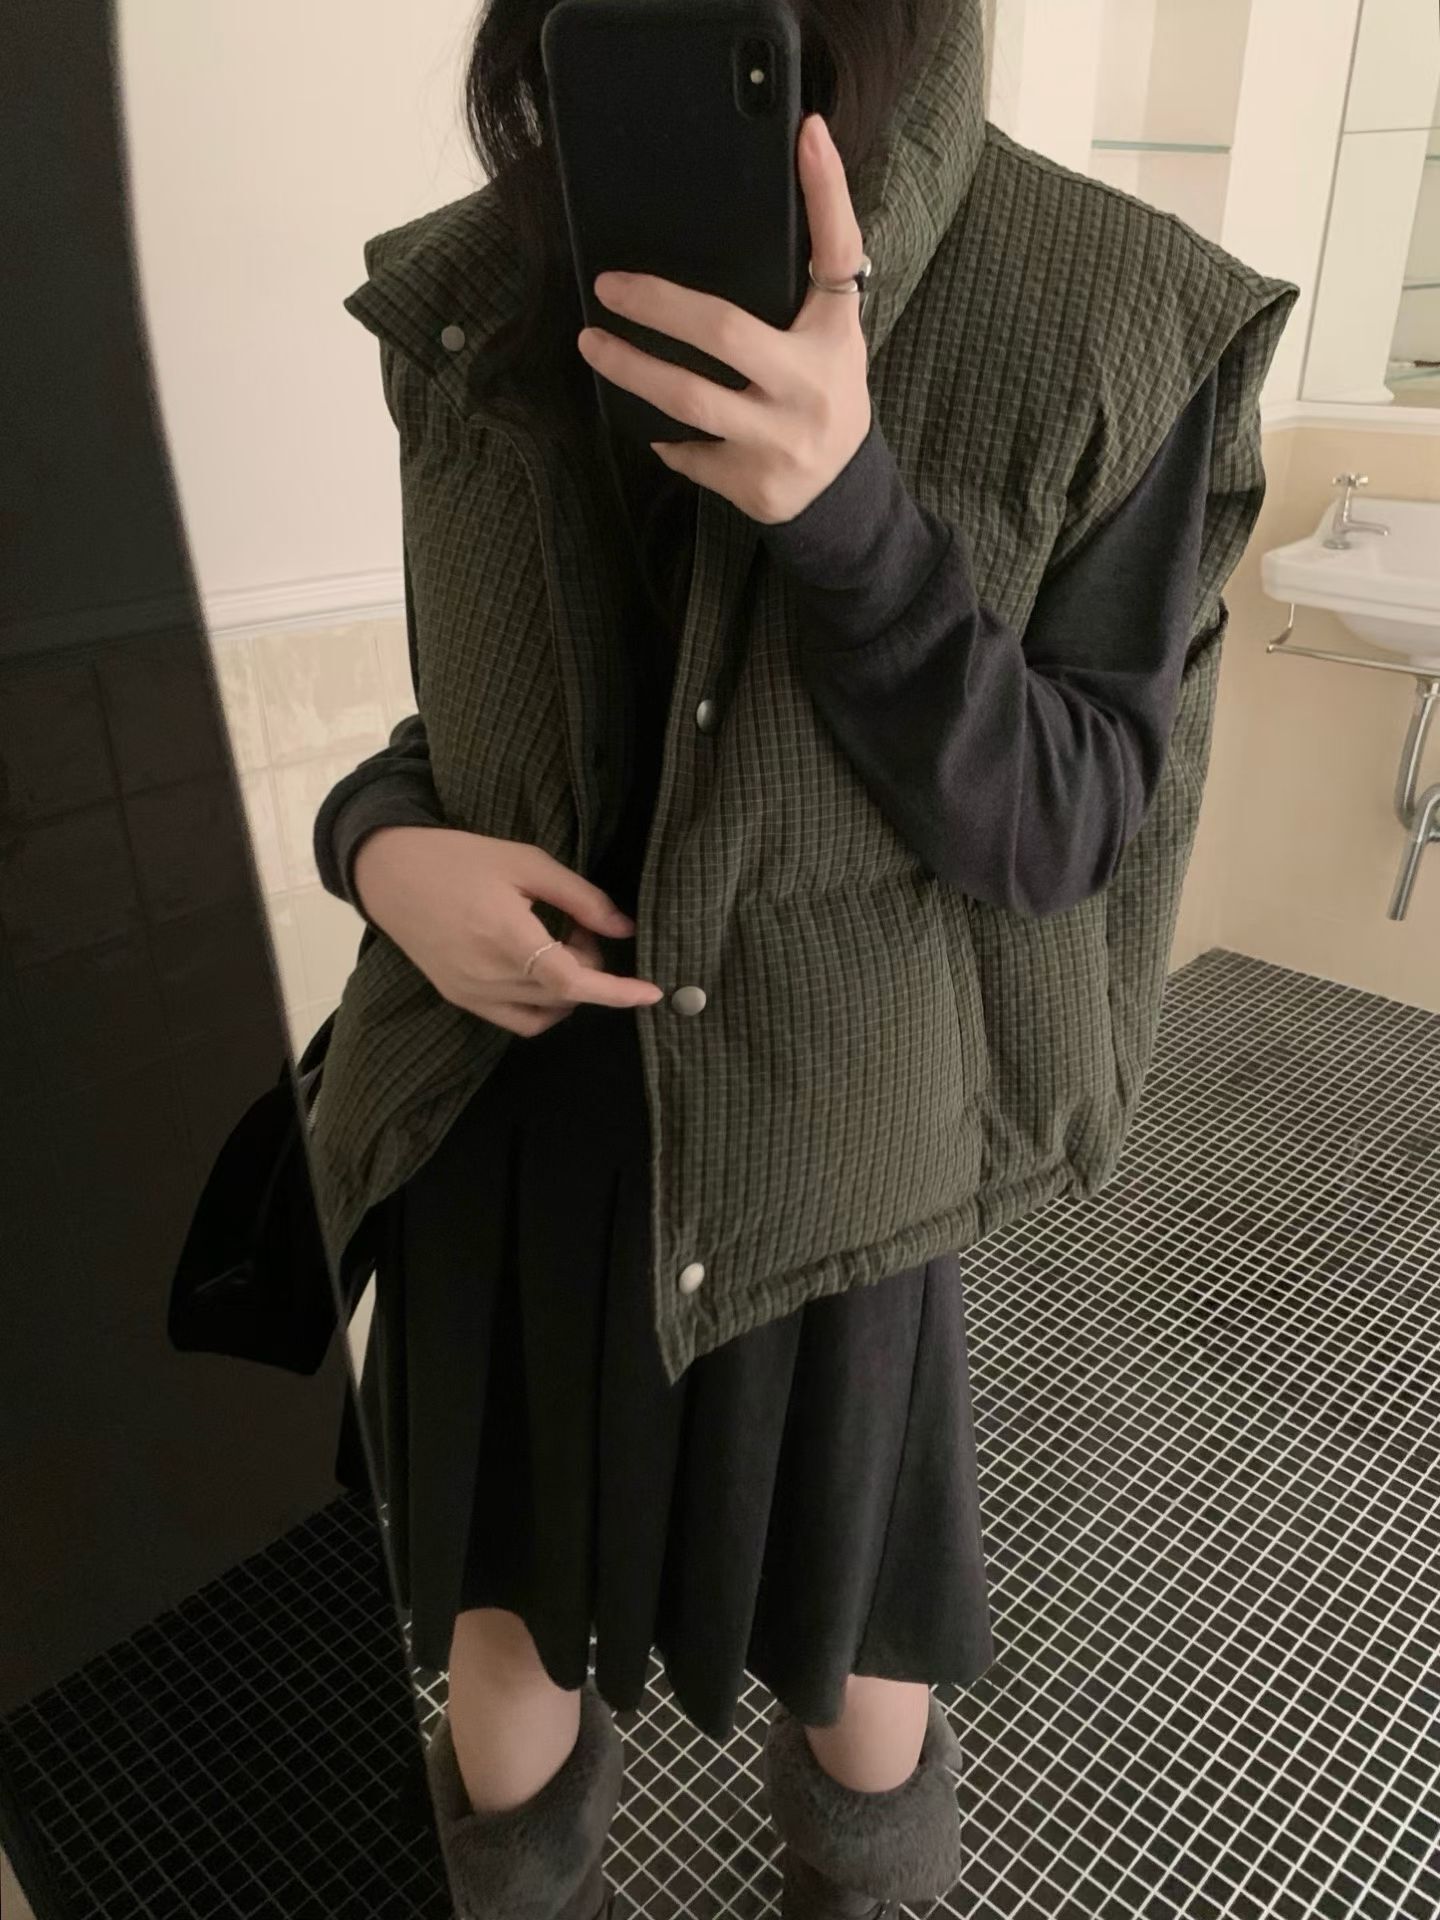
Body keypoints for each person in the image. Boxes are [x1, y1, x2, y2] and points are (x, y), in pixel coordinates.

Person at [312, 3, 1298, 1914]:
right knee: (502, 1611)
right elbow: (483, 731)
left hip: (839, 1146)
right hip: (504, 1123)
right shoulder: (475, 295)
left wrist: (852, 521)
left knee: (855, 1638)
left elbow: (1070, 824)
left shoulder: (1116, 310)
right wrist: (376, 849)